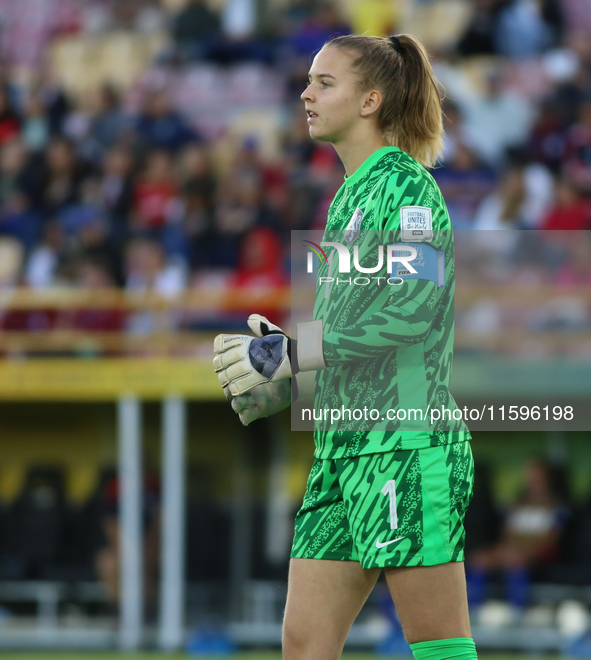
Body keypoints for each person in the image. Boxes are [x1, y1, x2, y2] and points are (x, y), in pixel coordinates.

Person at [213, 33, 476, 660]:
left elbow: (413, 313)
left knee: (439, 645)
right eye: (309, 80)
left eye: (325, 82)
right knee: (304, 646)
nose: (306, 92)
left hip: (404, 448)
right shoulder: (349, 197)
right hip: (342, 450)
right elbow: (355, 337)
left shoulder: (406, 188)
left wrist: (293, 352)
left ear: (371, 101)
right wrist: (287, 364)